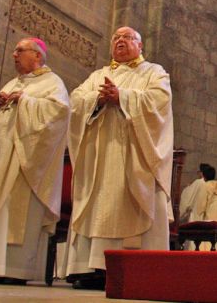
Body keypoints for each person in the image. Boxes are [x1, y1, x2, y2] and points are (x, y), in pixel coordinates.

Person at [66, 26, 173, 289]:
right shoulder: (98, 75)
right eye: (115, 37)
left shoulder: (153, 72)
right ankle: (90, 267)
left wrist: (122, 97)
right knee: (96, 200)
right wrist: (98, 100)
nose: (120, 41)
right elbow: (76, 100)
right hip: (99, 156)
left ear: (140, 46)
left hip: (133, 155)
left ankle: (130, 267)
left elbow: (159, 100)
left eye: (127, 37)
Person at [0, 37, 70, 285]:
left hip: (23, 164)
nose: (14, 55)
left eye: (20, 51)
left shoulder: (53, 83)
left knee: (13, 213)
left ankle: (12, 270)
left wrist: (25, 101)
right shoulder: (12, 82)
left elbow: (59, 113)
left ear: (37, 56)